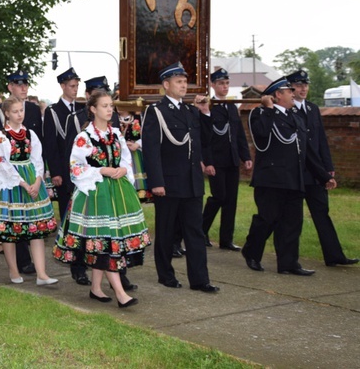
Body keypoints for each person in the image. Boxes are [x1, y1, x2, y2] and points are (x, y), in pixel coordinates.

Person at [54, 90, 149, 307]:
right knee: (106, 242)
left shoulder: (116, 134)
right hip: (95, 195)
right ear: (93, 109)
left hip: (118, 193)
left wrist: (123, 171)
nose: (109, 109)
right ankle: (120, 293)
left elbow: (126, 161)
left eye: (110, 106)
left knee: (106, 242)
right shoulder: (84, 138)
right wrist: (102, 171)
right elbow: (75, 169)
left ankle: (96, 288)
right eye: (104, 106)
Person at [242, 77, 337, 275]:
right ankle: (251, 252)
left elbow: (308, 152)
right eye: (288, 91)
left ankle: (288, 263)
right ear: (277, 95)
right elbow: (261, 139)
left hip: (294, 179)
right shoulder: (259, 114)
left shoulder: (296, 117)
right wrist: (268, 109)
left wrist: (324, 176)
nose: (293, 93)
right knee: (268, 219)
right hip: (271, 180)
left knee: (292, 223)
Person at [142, 62, 219, 293]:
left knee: (194, 232)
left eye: (185, 81)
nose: (184, 85)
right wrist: (156, 182)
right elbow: (151, 150)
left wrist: (205, 112)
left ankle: (200, 279)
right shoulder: (156, 111)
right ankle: (165, 274)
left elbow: (204, 141)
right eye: (179, 81)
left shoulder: (191, 111)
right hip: (169, 182)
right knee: (166, 231)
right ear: (166, 85)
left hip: (192, 182)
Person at [286, 70, 358, 267]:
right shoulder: (288, 111)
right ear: (290, 88)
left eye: (305, 85)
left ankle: (334, 256)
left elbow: (321, 141)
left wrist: (328, 166)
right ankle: (283, 258)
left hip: (316, 173)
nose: (303, 89)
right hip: (297, 173)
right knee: (290, 217)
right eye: (299, 85)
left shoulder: (312, 108)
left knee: (322, 213)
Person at [0, 96, 58, 285]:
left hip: (31, 180)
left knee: (36, 229)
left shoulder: (30, 134)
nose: (20, 115)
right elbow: (3, 164)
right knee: (10, 230)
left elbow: (37, 159)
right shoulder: (0, 136)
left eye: (22, 111)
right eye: (16, 111)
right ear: (7, 113)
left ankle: (41, 274)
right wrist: (23, 184)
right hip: (12, 185)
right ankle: (13, 270)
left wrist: (36, 181)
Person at [0, 71, 41, 276]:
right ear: (10, 87)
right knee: (14, 218)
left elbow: (38, 141)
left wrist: (38, 175)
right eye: (18, 85)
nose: (23, 88)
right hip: (11, 174)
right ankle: (21, 261)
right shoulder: (0, 112)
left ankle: (34, 264)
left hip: (30, 170)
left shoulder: (34, 110)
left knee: (32, 217)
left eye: (25, 84)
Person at [201, 69, 253, 250]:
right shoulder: (210, 106)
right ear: (213, 85)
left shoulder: (232, 106)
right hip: (216, 159)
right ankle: (201, 230)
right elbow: (205, 138)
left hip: (231, 159)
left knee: (231, 199)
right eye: (221, 83)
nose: (224, 87)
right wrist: (207, 162)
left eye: (226, 83)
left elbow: (239, 134)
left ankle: (226, 239)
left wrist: (245, 156)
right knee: (219, 197)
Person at [42, 67, 83, 220]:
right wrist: (55, 172)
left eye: (77, 86)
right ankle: (66, 239)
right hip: (63, 167)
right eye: (72, 86)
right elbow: (51, 144)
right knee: (66, 206)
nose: (75, 89)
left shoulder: (81, 108)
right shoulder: (53, 111)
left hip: (80, 165)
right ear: (63, 86)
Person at [116, 106, 150, 203]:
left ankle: (141, 191)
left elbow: (147, 135)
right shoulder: (113, 118)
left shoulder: (139, 118)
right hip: (120, 151)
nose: (118, 106)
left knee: (137, 167)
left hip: (135, 150)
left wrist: (137, 144)